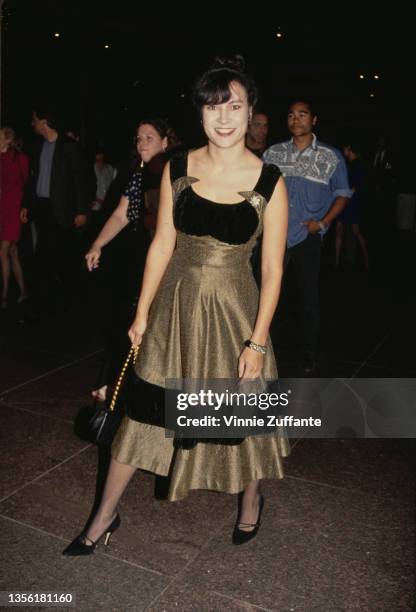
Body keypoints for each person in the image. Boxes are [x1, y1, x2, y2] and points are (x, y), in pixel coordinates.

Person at [63, 56, 289, 555]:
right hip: (175, 307)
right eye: (213, 107)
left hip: (236, 314)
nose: (225, 117)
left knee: (242, 418)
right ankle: (103, 518)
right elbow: (162, 244)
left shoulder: (270, 181)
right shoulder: (178, 168)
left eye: (235, 105)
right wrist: (142, 312)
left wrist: (256, 340)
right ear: (200, 114)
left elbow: (272, 271)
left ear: (251, 111)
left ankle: (251, 503)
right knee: (143, 410)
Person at [263, 101, 351, 373]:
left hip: (307, 236)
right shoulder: (273, 153)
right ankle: (261, 350)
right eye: (290, 114)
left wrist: (323, 223)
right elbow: (258, 191)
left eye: (302, 114)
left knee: (307, 297)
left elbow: (343, 193)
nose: (295, 119)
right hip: (274, 236)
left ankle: (309, 354)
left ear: (314, 120)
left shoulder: (330, 155)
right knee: (265, 292)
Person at [86, 118, 169, 402]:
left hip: (169, 260)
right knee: (137, 322)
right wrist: (98, 243)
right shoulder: (138, 174)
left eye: (149, 137)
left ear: (165, 142)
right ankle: (123, 385)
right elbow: (121, 214)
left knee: (153, 324)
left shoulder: (173, 172)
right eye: (138, 138)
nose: (142, 143)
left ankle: (130, 388)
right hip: (142, 256)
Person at [20, 107, 88, 307]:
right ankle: (41, 303)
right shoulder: (37, 145)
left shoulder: (68, 146)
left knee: (65, 257)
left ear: (44, 122)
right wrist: (26, 205)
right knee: (42, 257)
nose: (32, 123)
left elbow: (80, 181)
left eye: (34, 119)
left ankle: (73, 301)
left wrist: (82, 210)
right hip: (42, 208)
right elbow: (32, 180)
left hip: (62, 210)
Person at [0, 127, 29, 308]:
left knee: (2, 252)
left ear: (8, 140)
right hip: (2, 211)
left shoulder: (20, 159)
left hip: (14, 211)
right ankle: (24, 291)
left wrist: (24, 208)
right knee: (12, 253)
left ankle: (3, 295)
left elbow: (27, 185)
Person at [335, 142, 370, 270]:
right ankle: (337, 261)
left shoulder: (356, 165)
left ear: (349, 148)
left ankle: (338, 262)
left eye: (344, 148)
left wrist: (341, 196)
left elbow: (355, 187)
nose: (343, 150)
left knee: (350, 231)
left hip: (349, 201)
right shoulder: (352, 163)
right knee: (347, 231)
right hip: (350, 201)